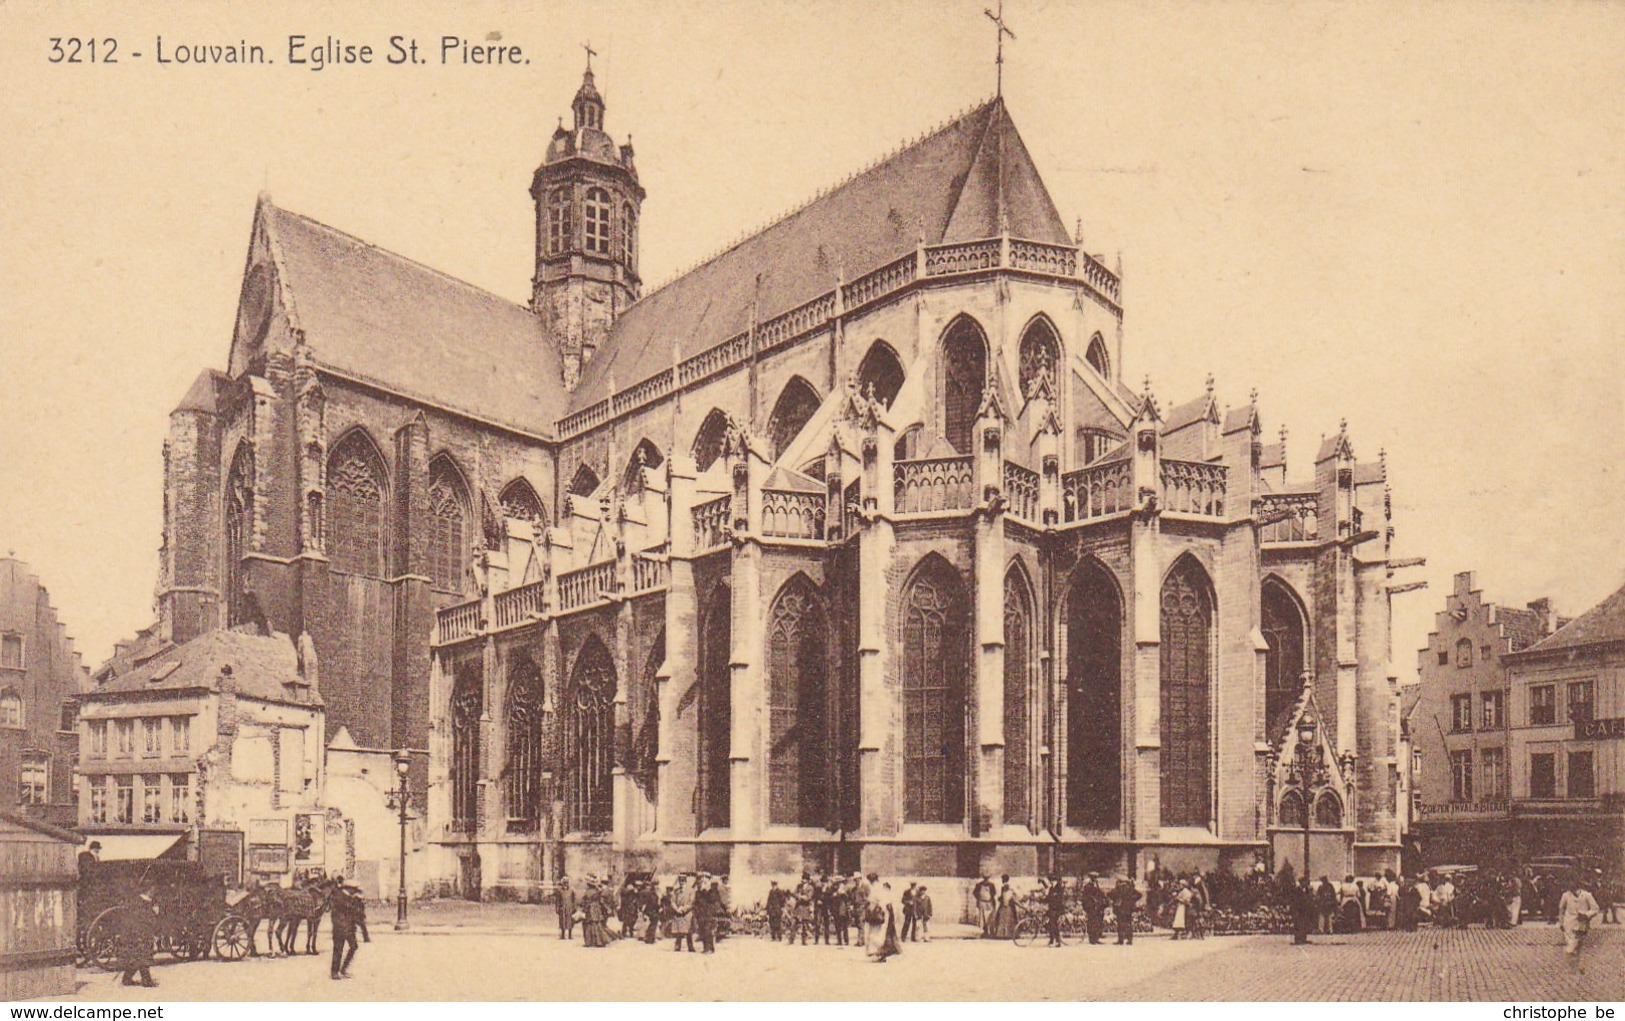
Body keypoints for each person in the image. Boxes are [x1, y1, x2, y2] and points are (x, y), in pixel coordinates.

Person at [1557, 873, 1600, 969]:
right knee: (1571, 945)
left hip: (1582, 924)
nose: (1570, 885)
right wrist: (1561, 922)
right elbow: (1561, 909)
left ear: (1578, 883)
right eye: (1569, 883)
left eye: (1572, 882)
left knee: (1577, 945)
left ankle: (1574, 965)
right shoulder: (1566, 895)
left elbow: (1596, 909)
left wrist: (1586, 914)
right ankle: (1571, 967)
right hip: (1569, 924)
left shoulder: (1587, 895)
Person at [118, 890, 159, 987]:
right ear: (148, 892)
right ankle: (146, 981)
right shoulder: (145, 905)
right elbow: (148, 921)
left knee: (135, 958)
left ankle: (126, 979)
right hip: (141, 934)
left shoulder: (137, 903)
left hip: (135, 934)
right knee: (143, 957)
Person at [329, 882, 362, 979]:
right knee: (338, 949)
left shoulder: (349, 897)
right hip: (340, 928)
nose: (355, 891)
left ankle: (343, 969)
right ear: (348, 888)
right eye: (354, 889)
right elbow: (348, 908)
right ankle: (334, 972)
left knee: (354, 946)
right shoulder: (339, 896)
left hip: (349, 928)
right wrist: (355, 900)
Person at [864, 877, 900, 962]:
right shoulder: (882, 889)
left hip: (878, 915)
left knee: (877, 935)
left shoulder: (876, 890)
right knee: (881, 934)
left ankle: (879, 954)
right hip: (883, 915)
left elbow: (874, 902)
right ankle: (881, 954)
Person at [1109, 877, 1141, 945]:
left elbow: (1110, 894)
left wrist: (1115, 900)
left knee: (1120, 925)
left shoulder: (1118, 888)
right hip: (1128, 910)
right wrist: (1132, 901)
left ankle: (1121, 940)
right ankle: (1129, 940)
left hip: (1120, 909)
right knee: (1128, 924)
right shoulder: (1130, 888)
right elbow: (1139, 895)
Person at [1079, 873, 1107, 944]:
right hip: (1091, 907)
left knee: (1097, 922)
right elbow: (1086, 898)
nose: (1095, 880)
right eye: (1094, 878)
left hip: (1097, 907)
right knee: (1092, 922)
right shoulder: (1088, 887)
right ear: (1092, 878)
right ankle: (1092, 939)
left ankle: (1096, 937)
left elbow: (1100, 894)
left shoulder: (1096, 886)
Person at [694, 875, 720, 954]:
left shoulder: (711, 892)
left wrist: (706, 891)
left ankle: (709, 948)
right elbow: (696, 903)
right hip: (701, 914)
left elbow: (714, 901)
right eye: (701, 882)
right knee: (702, 930)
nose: (702, 884)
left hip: (709, 914)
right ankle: (706, 947)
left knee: (707, 930)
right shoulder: (698, 892)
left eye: (705, 882)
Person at [669, 875, 695, 952]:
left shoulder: (691, 891)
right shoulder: (676, 891)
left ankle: (690, 947)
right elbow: (672, 901)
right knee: (678, 930)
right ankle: (677, 946)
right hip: (677, 912)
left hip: (686, 913)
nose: (681, 883)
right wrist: (676, 909)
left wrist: (683, 909)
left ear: (685, 882)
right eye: (680, 881)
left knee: (688, 931)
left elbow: (691, 903)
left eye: (683, 881)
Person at [792, 872, 816, 945]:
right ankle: (791, 939)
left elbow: (808, 898)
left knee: (805, 925)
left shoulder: (810, 888)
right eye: (803, 879)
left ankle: (804, 940)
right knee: (794, 923)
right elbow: (794, 893)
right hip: (798, 907)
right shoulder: (799, 886)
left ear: (808, 880)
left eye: (805, 879)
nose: (803, 880)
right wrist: (799, 896)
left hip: (805, 907)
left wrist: (800, 897)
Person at [1044, 876, 1067, 947]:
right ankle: (1051, 939)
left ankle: (1057, 941)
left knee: (1053, 924)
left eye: (1052, 881)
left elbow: (1060, 900)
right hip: (1051, 909)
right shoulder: (1051, 888)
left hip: (1057, 909)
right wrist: (1044, 897)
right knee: (1046, 923)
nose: (1051, 882)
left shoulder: (1059, 888)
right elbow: (1048, 899)